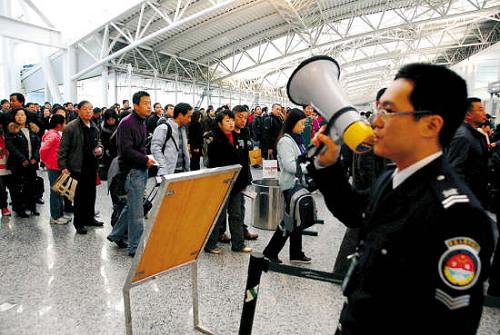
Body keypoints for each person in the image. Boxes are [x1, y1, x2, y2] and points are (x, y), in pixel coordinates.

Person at [307, 63, 494, 334]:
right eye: (379, 109)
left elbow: (451, 325)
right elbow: (353, 213)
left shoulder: (458, 217)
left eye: (390, 111)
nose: (376, 121)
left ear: (431, 125)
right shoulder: (394, 177)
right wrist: (328, 166)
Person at [107, 91, 156, 256]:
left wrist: (146, 158)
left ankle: (115, 235)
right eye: (145, 103)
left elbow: (139, 147)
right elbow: (126, 151)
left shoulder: (142, 121)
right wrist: (145, 159)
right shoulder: (127, 123)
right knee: (137, 213)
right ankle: (135, 248)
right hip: (132, 171)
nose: (149, 106)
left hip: (140, 169)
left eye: (150, 103)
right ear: (135, 106)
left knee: (132, 207)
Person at [263, 108, 311, 264]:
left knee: (297, 219)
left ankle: (296, 253)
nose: (304, 127)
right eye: (302, 124)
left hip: (297, 184)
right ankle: (270, 252)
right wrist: (309, 167)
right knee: (289, 221)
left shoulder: (296, 139)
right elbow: (290, 166)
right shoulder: (285, 141)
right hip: (289, 185)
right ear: (293, 123)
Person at [204, 109, 252, 254]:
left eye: (232, 120)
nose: (231, 123)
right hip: (221, 182)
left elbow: (242, 161)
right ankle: (210, 244)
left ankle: (238, 244)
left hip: (236, 182)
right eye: (227, 120)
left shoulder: (236, 136)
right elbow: (211, 162)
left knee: (236, 213)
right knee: (219, 214)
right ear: (219, 123)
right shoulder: (213, 138)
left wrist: (244, 181)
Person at [58, 100, 104, 234]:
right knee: (79, 196)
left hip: (91, 165)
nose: (89, 111)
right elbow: (62, 149)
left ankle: (89, 218)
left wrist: (100, 149)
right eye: (85, 109)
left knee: (91, 194)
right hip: (77, 167)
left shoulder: (93, 125)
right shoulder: (71, 127)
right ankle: (79, 223)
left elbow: (99, 141)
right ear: (78, 110)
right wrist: (63, 166)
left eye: (90, 109)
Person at [447, 97, 489, 206]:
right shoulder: (463, 136)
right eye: (480, 109)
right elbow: (455, 170)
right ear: (468, 114)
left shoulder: (473, 135)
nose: (484, 113)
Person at [5, 108, 41, 217]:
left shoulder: (32, 129)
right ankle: (19, 208)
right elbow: (11, 147)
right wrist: (23, 159)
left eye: (22, 115)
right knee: (17, 187)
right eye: (17, 115)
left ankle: (31, 207)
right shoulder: (11, 130)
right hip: (17, 164)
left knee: (31, 185)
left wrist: (35, 157)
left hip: (32, 163)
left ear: (26, 117)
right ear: (14, 117)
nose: (20, 117)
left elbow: (38, 146)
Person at [40, 114, 70, 225]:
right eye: (64, 122)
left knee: (60, 191)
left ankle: (60, 214)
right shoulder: (53, 135)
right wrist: (45, 161)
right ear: (59, 124)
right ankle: (55, 216)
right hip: (54, 166)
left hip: (57, 166)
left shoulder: (55, 134)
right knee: (55, 191)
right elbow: (43, 149)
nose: (65, 125)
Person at [151, 102, 191, 176]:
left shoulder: (183, 129)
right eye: (188, 116)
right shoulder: (163, 128)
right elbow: (155, 148)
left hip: (182, 170)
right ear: (180, 115)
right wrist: (163, 166)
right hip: (169, 172)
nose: (189, 120)